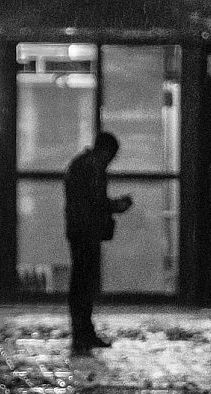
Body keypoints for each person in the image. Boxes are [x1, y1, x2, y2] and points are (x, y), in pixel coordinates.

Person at [64, 132, 132, 356]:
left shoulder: (80, 163)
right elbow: (96, 201)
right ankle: (83, 334)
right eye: (112, 156)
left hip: (77, 229)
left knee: (80, 282)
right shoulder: (93, 167)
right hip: (86, 231)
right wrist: (118, 205)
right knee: (85, 283)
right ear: (107, 151)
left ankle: (82, 333)